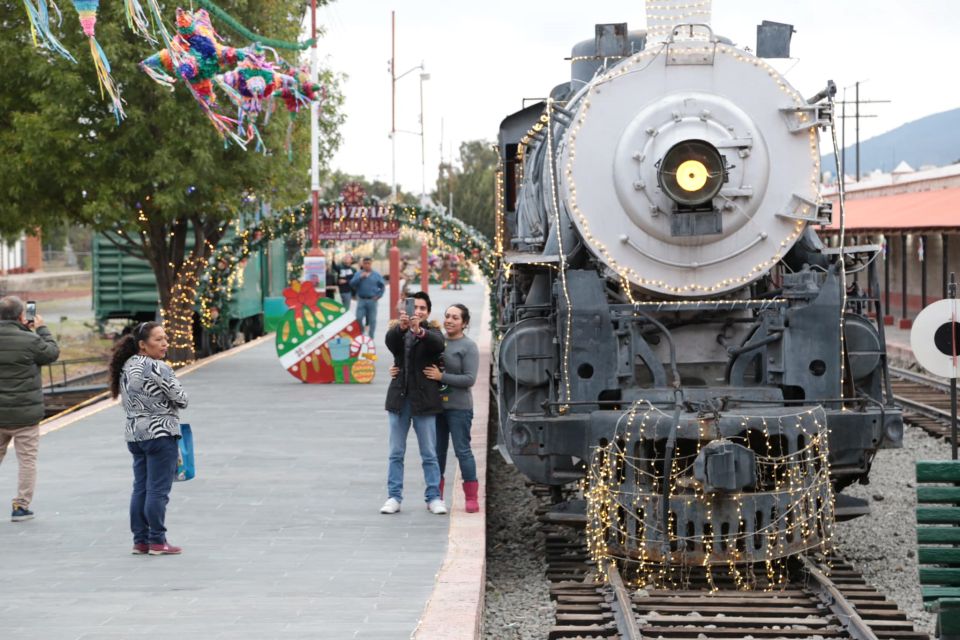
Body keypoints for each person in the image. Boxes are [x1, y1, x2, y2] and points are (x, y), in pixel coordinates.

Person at [109, 321, 188, 555]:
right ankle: (157, 541)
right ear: (143, 345)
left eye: (165, 338)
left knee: (141, 488)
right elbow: (182, 399)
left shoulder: (127, 366)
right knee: (157, 490)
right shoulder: (158, 368)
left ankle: (140, 540)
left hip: (135, 434)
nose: (164, 343)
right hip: (160, 433)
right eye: (158, 339)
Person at [381, 291, 446, 515]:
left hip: (424, 400)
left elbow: (438, 345)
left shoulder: (433, 332)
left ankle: (434, 497)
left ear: (427, 312)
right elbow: (390, 343)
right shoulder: (397, 331)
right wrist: (402, 328)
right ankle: (394, 496)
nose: (417, 312)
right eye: (414, 307)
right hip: (399, 399)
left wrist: (420, 331)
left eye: (422, 309)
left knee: (429, 452)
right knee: (396, 451)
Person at [0, 296, 60, 522]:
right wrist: (41, 329)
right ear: (21, 316)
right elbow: (51, 353)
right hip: (25, 417)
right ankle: (20, 506)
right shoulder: (30, 340)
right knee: (27, 461)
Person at [424, 304, 480, 512]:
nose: (449, 320)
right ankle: (435, 495)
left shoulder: (468, 346)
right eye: (447, 316)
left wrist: (441, 377)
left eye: (455, 318)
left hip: (459, 408)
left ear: (464, 323)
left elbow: (469, 379)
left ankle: (471, 497)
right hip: (436, 407)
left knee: (462, 451)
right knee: (436, 452)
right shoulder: (437, 342)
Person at [349, 257, 385, 338]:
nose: (367, 265)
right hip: (361, 300)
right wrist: (360, 278)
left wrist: (379, 296)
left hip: (372, 300)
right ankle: (361, 334)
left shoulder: (376, 275)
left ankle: (371, 337)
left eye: (368, 263)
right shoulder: (359, 274)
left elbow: (382, 286)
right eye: (365, 263)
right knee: (358, 318)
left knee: (372, 320)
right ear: (363, 264)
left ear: (371, 264)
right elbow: (351, 283)